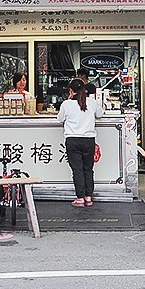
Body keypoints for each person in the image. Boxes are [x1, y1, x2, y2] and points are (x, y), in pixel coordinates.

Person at [57, 78, 104, 207]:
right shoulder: (92, 102)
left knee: (77, 169)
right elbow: (100, 114)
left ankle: (80, 197)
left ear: (71, 91)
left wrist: (68, 99)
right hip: (89, 140)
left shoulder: (66, 104)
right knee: (88, 168)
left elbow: (60, 119)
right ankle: (88, 197)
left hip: (72, 140)